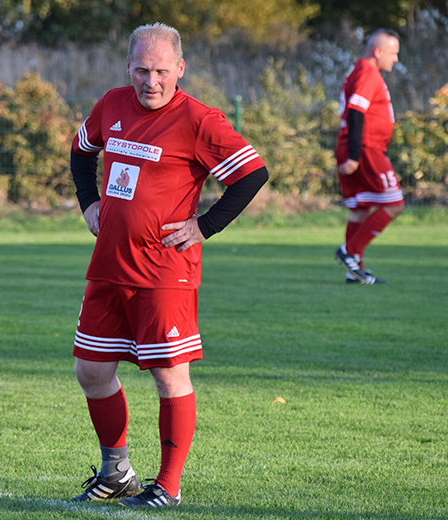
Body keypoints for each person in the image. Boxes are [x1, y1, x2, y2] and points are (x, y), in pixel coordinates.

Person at [68, 22, 268, 508]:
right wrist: (88, 201)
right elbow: (81, 151)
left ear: (180, 68)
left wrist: (204, 227)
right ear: (128, 68)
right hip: (110, 263)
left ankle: (168, 488)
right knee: (91, 370)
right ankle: (116, 473)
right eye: (141, 69)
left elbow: (252, 174)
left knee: (168, 375)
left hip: (165, 271)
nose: (150, 81)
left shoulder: (200, 120)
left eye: (161, 70)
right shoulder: (111, 105)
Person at [334, 28, 405, 285]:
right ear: (379, 52)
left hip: (355, 146)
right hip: (365, 148)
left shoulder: (358, 69)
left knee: (360, 210)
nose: (395, 60)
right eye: (393, 53)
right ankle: (349, 252)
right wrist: (354, 154)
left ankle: (354, 270)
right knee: (395, 204)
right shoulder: (368, 71)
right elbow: (356, 111)